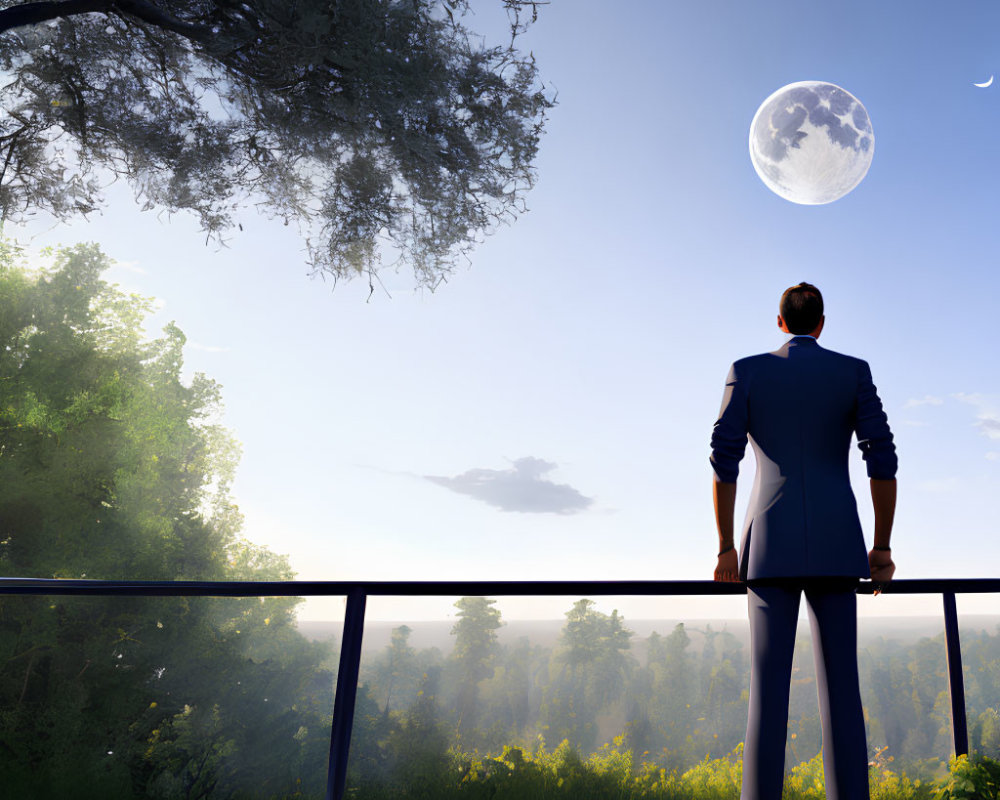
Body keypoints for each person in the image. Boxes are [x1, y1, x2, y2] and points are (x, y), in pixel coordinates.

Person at [710, 282, 897, 800]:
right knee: (842, 690)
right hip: (839, 545)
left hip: (769, 547)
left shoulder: (746, 371)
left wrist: (727, 547)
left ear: (779, 321)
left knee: (767, 696)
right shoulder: (852, 371)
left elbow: (725, 459)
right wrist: (880, 549)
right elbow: (881, 457)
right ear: (821, 322)